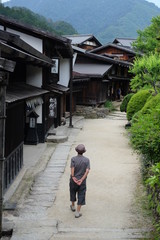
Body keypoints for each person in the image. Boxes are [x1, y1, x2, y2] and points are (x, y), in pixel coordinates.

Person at [69, 144, 90, 218]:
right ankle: (77, 212)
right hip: (82, 181)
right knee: (81, 194)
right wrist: (81, 179)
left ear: (76, 151)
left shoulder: (73, 159)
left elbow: (72, 168)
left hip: (73, 180)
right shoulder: (87, 160)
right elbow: (87, 171)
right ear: (83, 152)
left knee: (72, 192)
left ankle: (73, 206)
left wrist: (73, 177)